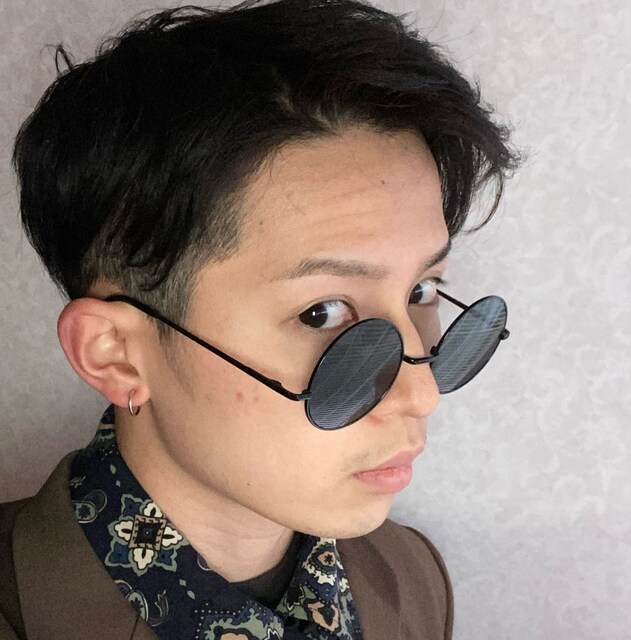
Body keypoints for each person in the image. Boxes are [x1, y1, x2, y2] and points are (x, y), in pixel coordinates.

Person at [0, 0, 519, 638]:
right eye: (322, 312)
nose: (420, 392)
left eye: (422, 290)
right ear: (116, 354)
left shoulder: (411, 577)